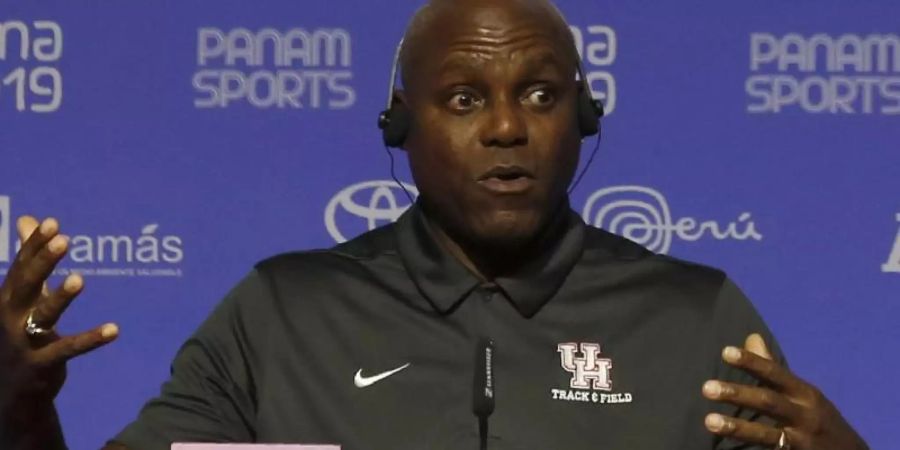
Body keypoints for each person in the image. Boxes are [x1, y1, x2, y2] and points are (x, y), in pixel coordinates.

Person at [0, 0, 870, 449]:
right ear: (399, 127)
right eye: (463, 98)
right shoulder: (282, 315)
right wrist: (20, 414)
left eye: (540, 94)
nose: (504, 127)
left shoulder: (698, 320)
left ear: (586, 119)